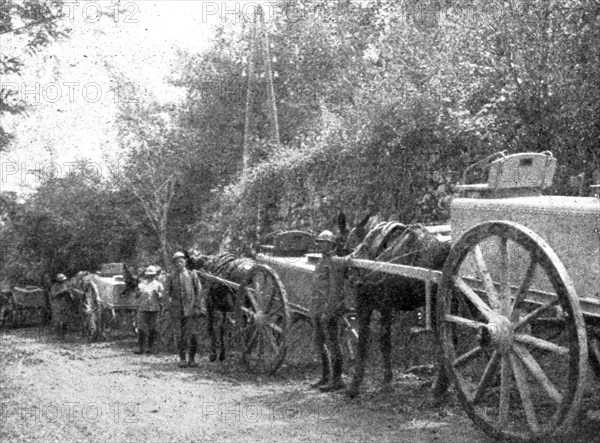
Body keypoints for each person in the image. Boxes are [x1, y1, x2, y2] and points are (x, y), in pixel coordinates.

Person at [310, 230, 348, 392]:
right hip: (318, 309)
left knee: (333, 344)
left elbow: (335, 290)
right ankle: (325, 377)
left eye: (324, 242)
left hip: (328, 309)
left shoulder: (334, 262)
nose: (320, 245)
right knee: (320, 344)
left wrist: (329, 311)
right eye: (319, 242)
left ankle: (337, 379)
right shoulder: (322, 261)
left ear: (332, 245)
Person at [165, 251, 203, 368]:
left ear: (185, 262)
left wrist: (197, 306)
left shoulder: (192, 275)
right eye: (177, 262)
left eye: (181, 261)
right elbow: (167, 293)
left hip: (191, 310)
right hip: (177, 310)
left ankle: (191, 359)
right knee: (180, 335)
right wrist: (169, 306)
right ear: (174, 264)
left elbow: (199, 291)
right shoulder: (171, 277)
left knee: (193, 335)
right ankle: (182, 359)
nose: (179, 264)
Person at [134, 265, 164, 354]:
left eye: (152, 275)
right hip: (143, 309)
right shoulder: (141, 285)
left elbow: (163, 296)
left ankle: (150, 347)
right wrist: (137, 293)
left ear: (155, 275)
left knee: (153, 329)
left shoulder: (158, 284)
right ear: (146, 275)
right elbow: (135, 296)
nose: (150, 277)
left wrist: (158, 294)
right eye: (149, 275)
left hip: (154, 310)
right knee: (141, 329)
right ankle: (140, 347)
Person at [49, 273, 72, 339]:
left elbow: (70, 295)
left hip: (65, 304)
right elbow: (53, 294)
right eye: (61, 280)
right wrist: (62, 291)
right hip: (57, 304)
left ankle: (64, 335)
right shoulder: (54, 286)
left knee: (66, 320)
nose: (63, 281)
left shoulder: (65, 285)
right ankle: (58, 335)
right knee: (58, 320)